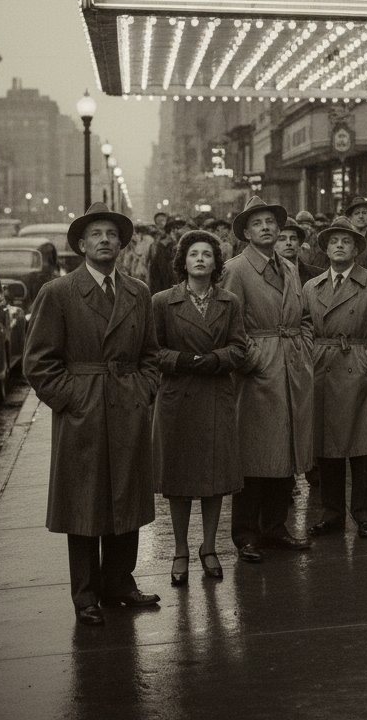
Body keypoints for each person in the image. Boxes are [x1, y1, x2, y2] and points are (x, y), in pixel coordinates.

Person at [23, 203, 161, 626]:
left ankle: (120, 582)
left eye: (112, 234)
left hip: (127, 406)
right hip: (83, 409)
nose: (105, 240)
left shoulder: (138, 293)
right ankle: (85, 595)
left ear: (122, 244)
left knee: (127, 496)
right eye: (95, 234)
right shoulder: (59, 293)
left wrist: (142, 390)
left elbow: (151, 356)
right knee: (83, 502)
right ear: (81, 245)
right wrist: (74, 399)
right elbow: (38, 363)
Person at [220, 196, 314, 563]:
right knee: (255, 455)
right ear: (245, 232)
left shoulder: (290, 267)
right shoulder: (236, 269)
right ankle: (246, 534)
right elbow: (230, 324)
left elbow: (304, 318)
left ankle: (276, 528)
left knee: (287, 453)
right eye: (257, 223)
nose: (267, 228)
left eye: (271, 222)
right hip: (258, 373)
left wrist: (302, 349)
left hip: (292, 368)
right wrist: (254, 358)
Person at [152, 230, 247, 585]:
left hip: (216, 395)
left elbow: (240, 347)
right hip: (178, 396)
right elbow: (151, 351)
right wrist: (182, 360)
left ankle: (209, 548)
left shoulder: (230, 302)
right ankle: (180, 550)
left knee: (214, 478)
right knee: (178, 479)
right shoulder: (162, 301)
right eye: (194, 254)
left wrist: (215, 359)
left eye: (207, 254)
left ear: (216, 262)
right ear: (183, 262)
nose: (201, 259)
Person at [303, 216, 367, 538]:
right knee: (327, 449)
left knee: (363, 448)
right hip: (322, 369)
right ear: (326, 249)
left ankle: (364, 514)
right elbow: (305, 328)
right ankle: (331, 513)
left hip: (357, 366)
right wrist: (311, 359)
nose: (339, 246)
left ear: (357, 249)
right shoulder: (311, 287)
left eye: (347, 241)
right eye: (333, 241)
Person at [277, 216, 323, 284]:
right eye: (282, 239)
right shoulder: (265, 275)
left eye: (293, 238)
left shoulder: (318, 276)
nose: (288, 243)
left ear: (299, 243)